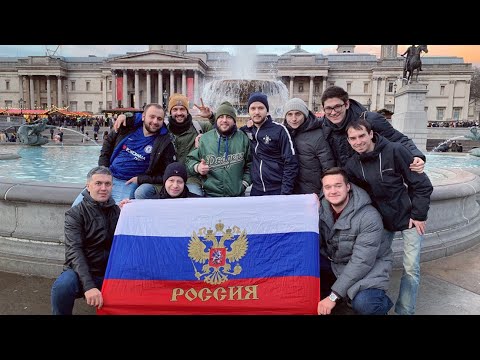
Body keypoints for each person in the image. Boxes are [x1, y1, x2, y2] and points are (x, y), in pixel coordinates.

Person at [344, 118, 433, 315]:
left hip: (408, 217)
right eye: (353, 138)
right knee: (372, 264)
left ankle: (405, 311)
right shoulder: (352, 164)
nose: (358, 142)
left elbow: (422, 185)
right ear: (348, 141)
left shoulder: (395, 151)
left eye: (361, 136)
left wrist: (418, 214)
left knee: (411, 269)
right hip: (381, 222)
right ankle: (375, 302)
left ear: (371, 134)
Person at [318, 167, 393, 315]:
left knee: (365, 304)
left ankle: (381, 304)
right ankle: (343, 296)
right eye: (328, 187)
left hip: (368, 269)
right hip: (336, 264)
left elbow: (361, 262)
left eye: (338, 186)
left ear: (348, 187)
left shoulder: (369, 216)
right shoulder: (320, 209)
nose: (333, 191)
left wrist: (333, 296)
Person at [72, 103, 176, 205]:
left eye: (159, 119)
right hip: (108, 175)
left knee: (117, 213)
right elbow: (107, 144)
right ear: (143, 117)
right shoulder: (127, 127)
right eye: (152, 117)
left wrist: (140, 179)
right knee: (77, 208)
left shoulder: (165, 142)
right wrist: (103, 168)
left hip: (128, 183)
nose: (155, 121)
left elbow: (166, 174)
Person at [113, 94, 214, 197]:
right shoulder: (162, 129)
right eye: (175, 109)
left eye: (182, 109)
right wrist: (125, 115)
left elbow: (222, 128)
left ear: (187, 112)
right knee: (141, 192)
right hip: (165, 179)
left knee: (195, 198)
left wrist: (211, 116)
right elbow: (145, 118)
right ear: (170, 112)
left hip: (191, 178)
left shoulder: (200, 127)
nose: (179, 113)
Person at [51, 166, 121, 315]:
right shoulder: (75, 214)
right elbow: (74, 251)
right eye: (98, 183)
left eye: (107, 184)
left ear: (112, 186)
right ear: (88, 186)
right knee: (63, 286)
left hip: (109, 271)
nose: (103, 188)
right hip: (81, 271)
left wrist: (131, 210)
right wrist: (88, 286)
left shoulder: (118, 211)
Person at [320, 85, 426, 172]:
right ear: (323, 109)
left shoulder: (371, 120)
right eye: (328, 108)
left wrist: (416, 155)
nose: (333, 112)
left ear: (347, 104)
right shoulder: (323, 125)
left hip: (369, 177)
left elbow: (398, 139)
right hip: (344, 179)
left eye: (337, 106)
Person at [186, 101, 252, 197]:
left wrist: (244, 183)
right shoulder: (205, 139)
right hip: (211, 195)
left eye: (229, 117)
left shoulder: (243, 138)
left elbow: (250, 164)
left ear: (234, 121)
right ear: (216, 120)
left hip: (237, 196)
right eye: (221, 117)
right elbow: (190, 160)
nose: (224, 120)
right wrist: (198, 167)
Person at [240, 92, 299, 196]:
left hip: (277, 189)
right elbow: (227, 130)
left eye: (261, 108)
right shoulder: (247, 130)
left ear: (267, 110)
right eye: (253, 108)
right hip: (256, 189)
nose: (257, 112)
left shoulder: (280, 130)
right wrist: (202, 135)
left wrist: (285, 193)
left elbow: (291, 163)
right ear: (248, 111)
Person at [282, 98, 335, 194]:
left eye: (298, 114)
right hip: (290, 190)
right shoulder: (283, 133)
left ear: (305, 114)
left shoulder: (318, 135)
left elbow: (328, 167)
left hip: (313, 192)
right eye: (289, 114)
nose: (293, 119)